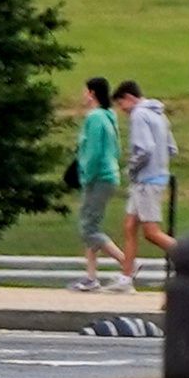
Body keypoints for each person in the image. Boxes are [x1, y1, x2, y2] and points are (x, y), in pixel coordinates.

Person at [68, 77, 124, 291]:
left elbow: (93, 152)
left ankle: (126, 262)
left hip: (97, 177)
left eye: (85, 91)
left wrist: (86, 176)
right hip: (109, 175)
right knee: (91, 223)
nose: (83, 95)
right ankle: (91, 277)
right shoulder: (110, 116)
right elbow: (116, 148)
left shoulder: (94, 118)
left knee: (88, 228)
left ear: (92, 93)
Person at [117, 81, 174, 284]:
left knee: (151, 232)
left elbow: (144, 149)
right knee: (129, 225)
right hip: (155, 177)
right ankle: (125, 277)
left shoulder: (139, 115)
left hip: (146, 181)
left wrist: (131, 168)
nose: (122, 110)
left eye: (121, 104)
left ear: (129, 97)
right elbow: (171, 148)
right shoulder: (159, 114)